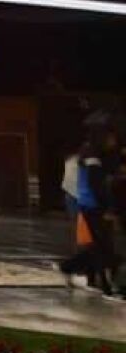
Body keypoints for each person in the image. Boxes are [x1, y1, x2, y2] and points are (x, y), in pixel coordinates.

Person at [59, 127, 119, 296]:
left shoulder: (89, 156)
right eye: (110, 138)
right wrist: (107, 207)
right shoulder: (92, 158)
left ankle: (78, 271)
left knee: (100, 247)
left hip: (88, 204)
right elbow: (97, 185)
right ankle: (71, 267)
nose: (112, 141)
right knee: (101, 247)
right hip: (94, 206)